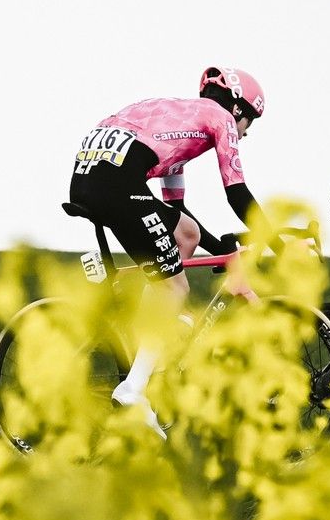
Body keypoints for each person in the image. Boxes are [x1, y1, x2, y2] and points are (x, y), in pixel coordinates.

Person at [63, 67, 267, 417]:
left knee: (183, 234)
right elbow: (237, 193)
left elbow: (177, 213)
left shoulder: (178, 120)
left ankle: (149, 345)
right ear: (238, 109)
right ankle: (132, 390)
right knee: (174, 289)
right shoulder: (221, 119)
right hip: (116, 182)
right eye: (250, 121)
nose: (245, 134)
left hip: (93, 176)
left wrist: (222, 250)